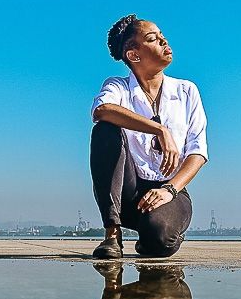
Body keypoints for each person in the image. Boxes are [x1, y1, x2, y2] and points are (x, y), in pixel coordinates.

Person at [89, 14, 209, 259]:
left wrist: (169, 190)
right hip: (128, 191)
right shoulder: (118, 87)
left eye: (163, 36)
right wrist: (159, 130)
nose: (165, 42)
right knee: (105, 129)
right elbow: (102, 110)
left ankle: (152, 234)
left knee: (160, 241)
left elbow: (198, 151)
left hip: (170, 188)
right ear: (134, 55)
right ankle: (112, 234)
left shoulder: (187, 91)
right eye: (154, 39)